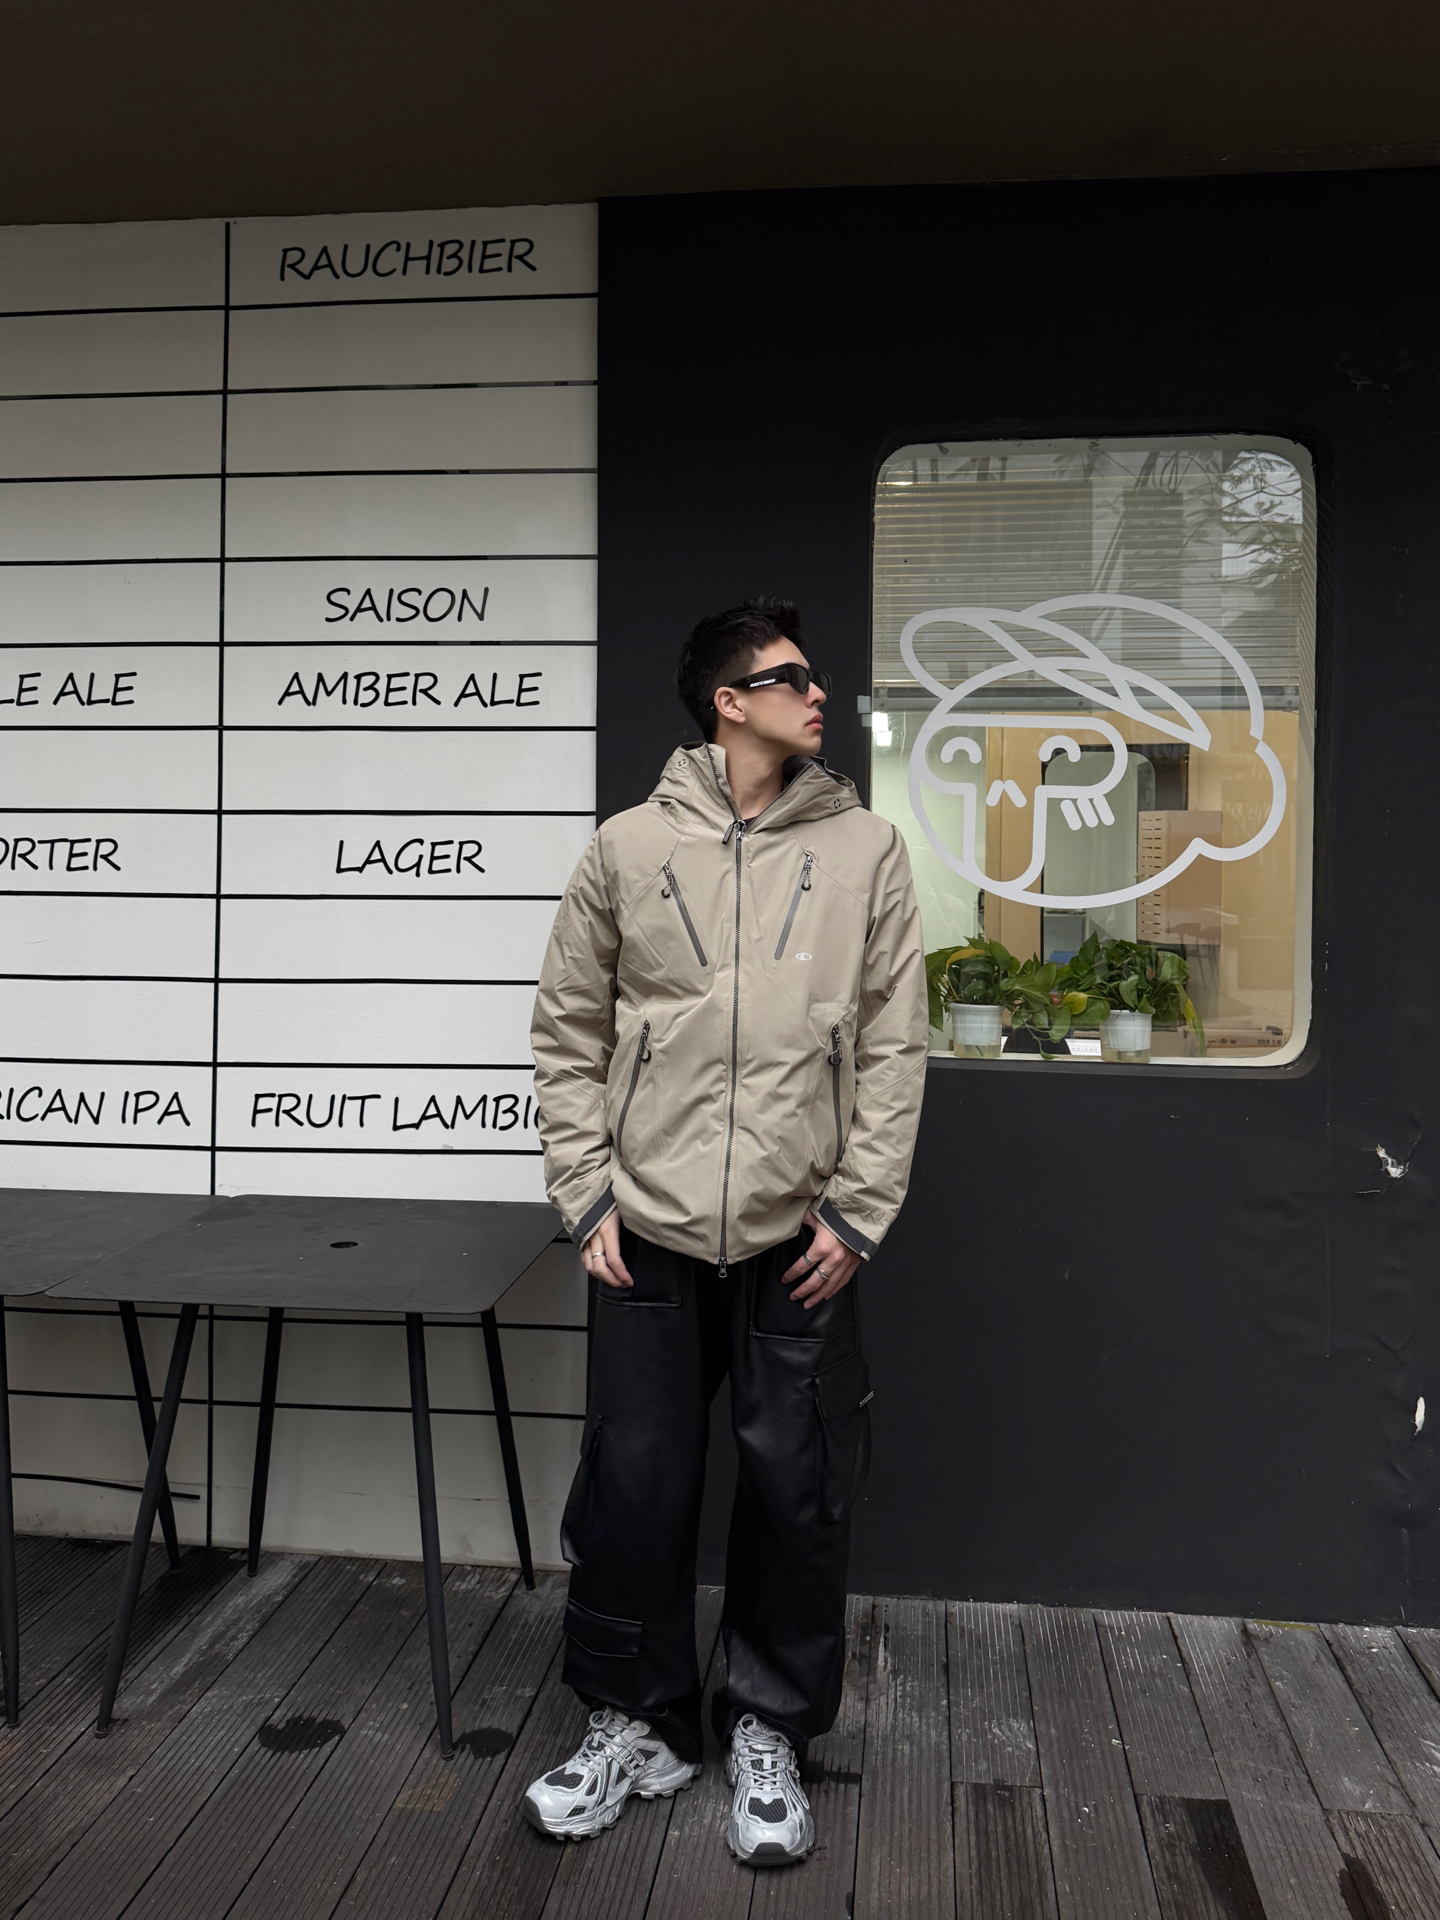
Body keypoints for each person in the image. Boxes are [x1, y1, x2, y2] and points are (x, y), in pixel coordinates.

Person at [524, 596, 927, 1864]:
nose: (820, 694)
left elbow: (895, 1044)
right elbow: (568, 1030)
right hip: (645, 1226)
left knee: (797, 1492)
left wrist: (859, 1210)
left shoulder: (867, 851)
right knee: (634, 1488)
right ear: (729, 702)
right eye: (791, 677)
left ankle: (768, 1728)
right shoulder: (627, 848)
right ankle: (635, 1722)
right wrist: (585, 1190)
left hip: (797, 1232)